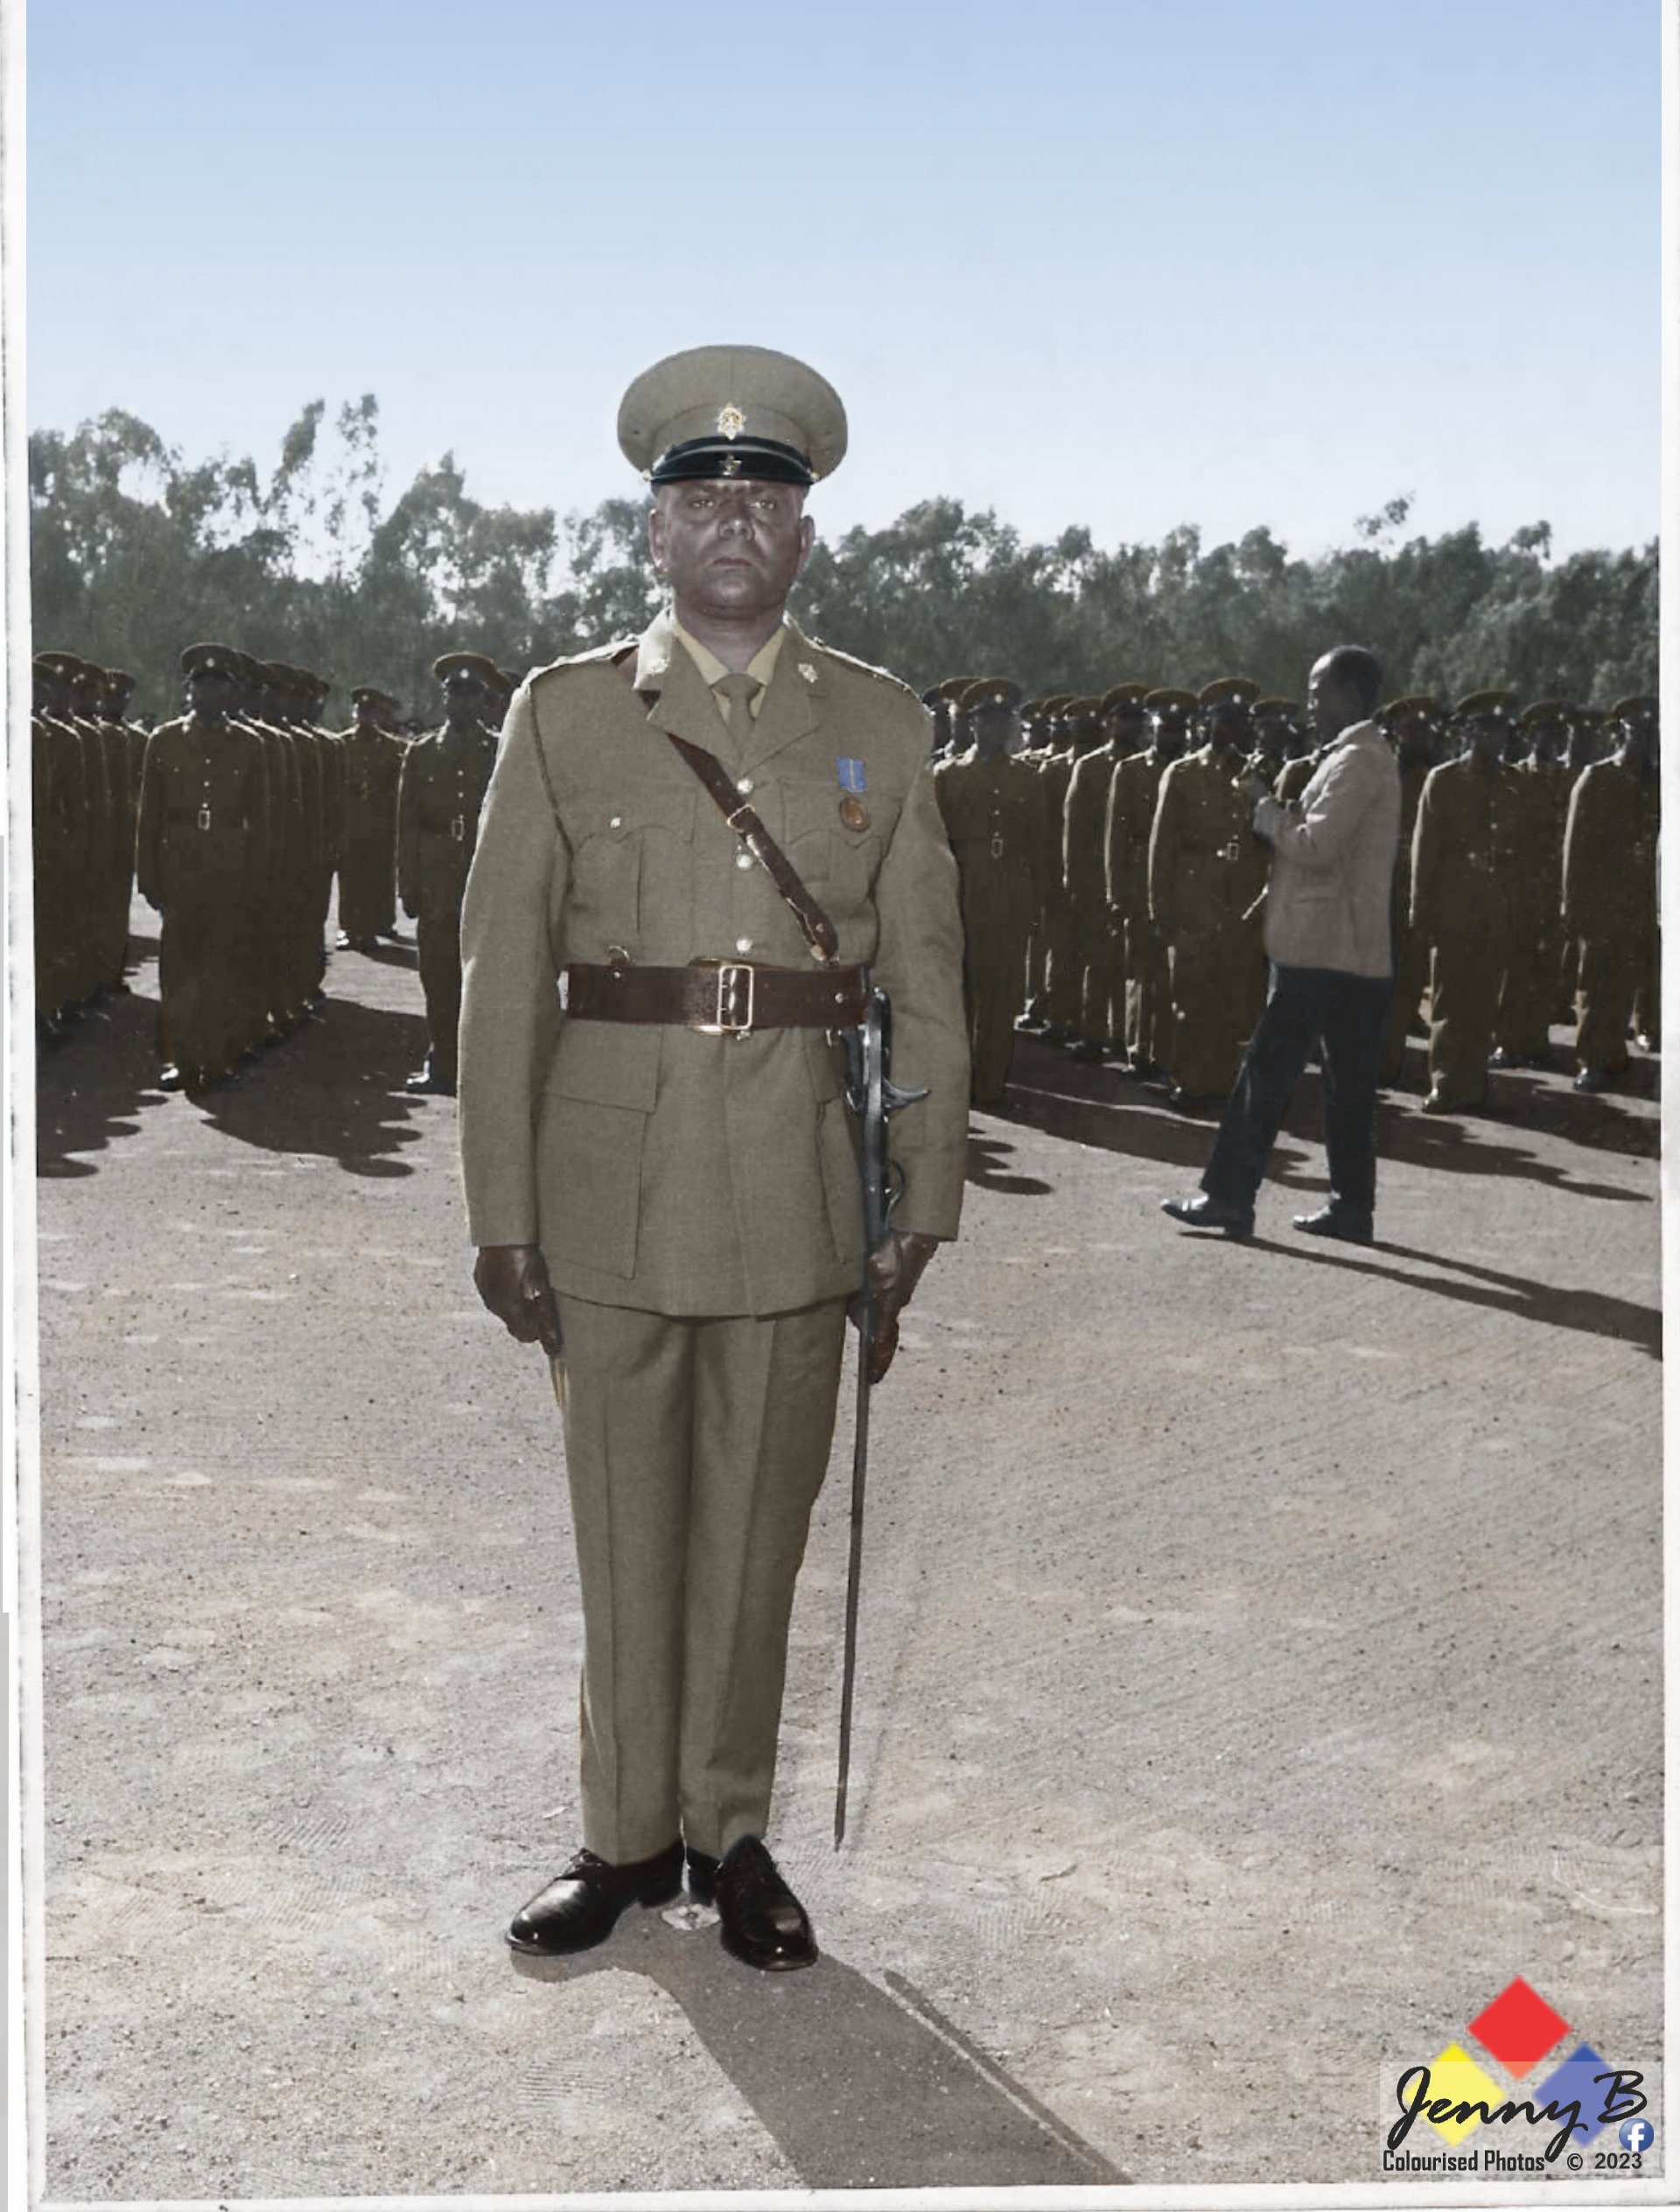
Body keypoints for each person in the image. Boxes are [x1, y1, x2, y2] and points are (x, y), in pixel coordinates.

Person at [456, 345, 969, 1971]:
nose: (734, 518)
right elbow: (494, 976)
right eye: (701, 494)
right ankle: (622, 1836)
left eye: (766, 494)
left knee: (757, 1527)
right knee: (624, 1519)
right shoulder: (567, 714)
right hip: (607, 1187)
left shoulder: (880, 725)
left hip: (798, 1187)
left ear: (805, 537)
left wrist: (921, 1200)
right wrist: (500, 1210)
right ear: (654, 537)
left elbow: (931, 988)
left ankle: (731, 1831)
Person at [1161, 644, 1399, 1243]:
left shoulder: (1359, 759)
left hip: (1321, 952)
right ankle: (1351, 1208)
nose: (1312, 703)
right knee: (1346, 1090)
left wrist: (1265, 809)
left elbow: (1316, 846)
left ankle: (1228, 1197)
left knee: (1265, 1077)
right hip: (1349, 952)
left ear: (1349, 693)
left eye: (1319, 691)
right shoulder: (1359, 756)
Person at [397, 651, 501, 1095]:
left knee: (482, 981)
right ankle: (440, 1064)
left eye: (470, 694)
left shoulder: (500, 750)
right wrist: (409, 886)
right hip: (438, 877)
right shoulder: (421, 754)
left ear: (483, 701)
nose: (461, 703)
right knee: (438, 978)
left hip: (483, 879)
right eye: (454, 694)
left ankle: (476, 1070)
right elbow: (407, 825)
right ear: (444, 700)